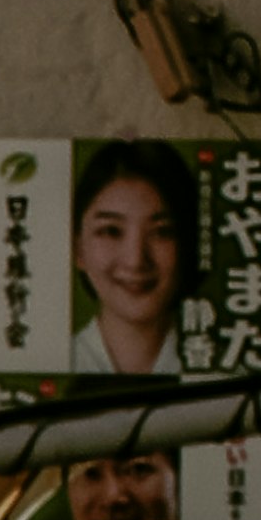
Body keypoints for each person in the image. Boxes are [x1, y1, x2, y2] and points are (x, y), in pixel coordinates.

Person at [70, 141, 197, 380]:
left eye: (162, 232)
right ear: (78, 250)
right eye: (111, 231)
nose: (135, 260)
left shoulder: (228, 373)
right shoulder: (52, 363)